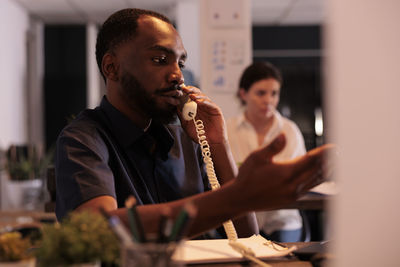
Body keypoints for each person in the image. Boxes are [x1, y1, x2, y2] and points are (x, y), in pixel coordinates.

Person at [55, 8, 334, 240]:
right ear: (111, 67)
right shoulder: (83, 139)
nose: (178, 75)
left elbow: (247, 236)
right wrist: (237, 196)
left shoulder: (185, 139)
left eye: (180, 62)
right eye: (160, 60)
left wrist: (217, 144)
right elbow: (98, 230)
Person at [227, 62, 307, 242]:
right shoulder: (227, 129)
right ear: (243, 94)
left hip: (282, 219)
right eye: (261, 93)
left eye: (274, 93)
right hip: (241, 219)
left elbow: (300, 175)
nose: (269, 100)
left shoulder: (290, 130)